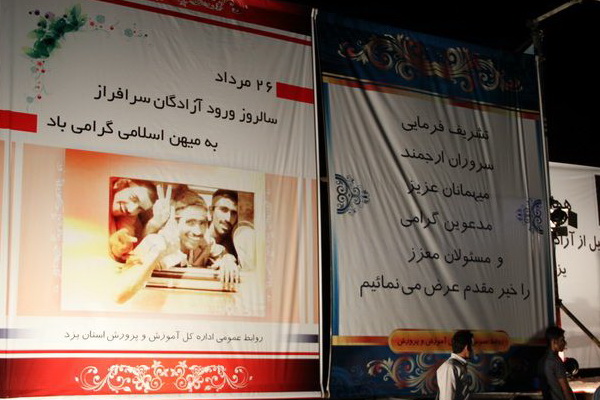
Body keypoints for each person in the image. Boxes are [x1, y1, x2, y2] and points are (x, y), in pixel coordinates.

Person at [114, 188, 238, 303]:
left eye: (203, 223)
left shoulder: (205, 241)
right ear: (174, 222)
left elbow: (222, 253)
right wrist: (158, 253)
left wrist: (228, 260)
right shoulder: (156, 242)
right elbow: (119, 296)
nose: (198, 231)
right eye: (190, 222)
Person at [108, 178, 157, 262]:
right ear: (123, 183)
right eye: (134, 198)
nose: (131, 210)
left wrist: (123, 247)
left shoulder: (130, 216)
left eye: (140, 209)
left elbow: (126, 231)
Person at [538, 326, 576, 400]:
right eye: (562, 340)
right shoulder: (556, 361)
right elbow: (565, 389)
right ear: (554, 342)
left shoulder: (542, 361)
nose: (564, 343)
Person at [436, 330, 474, 400]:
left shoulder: (459, 365)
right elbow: (447, 398)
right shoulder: (449, 367)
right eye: (472, 346)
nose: (473, 350)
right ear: (466, 347)